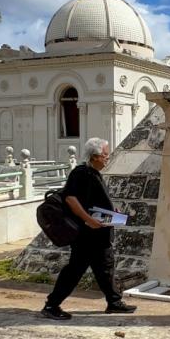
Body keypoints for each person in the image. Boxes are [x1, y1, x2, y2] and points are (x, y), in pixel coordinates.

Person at [41, 137, 137, 320]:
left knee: (106, 267)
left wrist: (111, 212)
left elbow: (92, 201)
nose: (107, 158)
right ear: (94, 156)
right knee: (75, 270)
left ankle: (114, 302)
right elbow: (71, 199)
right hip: (87, 235)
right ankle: (51, 305)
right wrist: (88, 220)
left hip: (99, 233)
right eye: (105, 155)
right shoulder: (81, 173)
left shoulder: (93, 173)